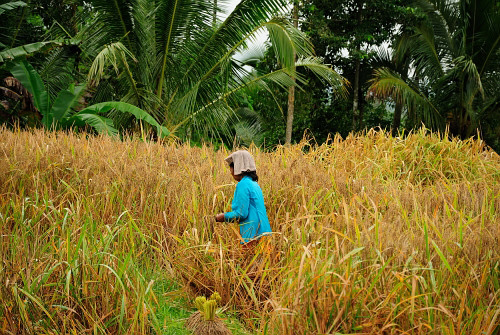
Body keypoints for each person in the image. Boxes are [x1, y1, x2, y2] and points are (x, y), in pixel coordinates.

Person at [215, 150, 272, 249]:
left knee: (249, 263)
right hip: (264, 233)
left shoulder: (243, 184)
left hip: (252, 236)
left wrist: (222, 217)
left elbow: (241, 213)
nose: (230, 172)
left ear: (238, 167)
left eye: (231, 168)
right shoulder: (254, 184)